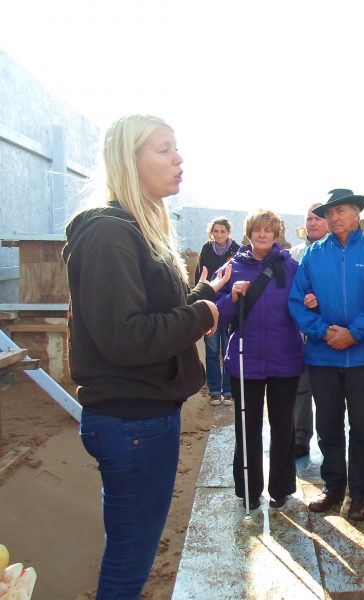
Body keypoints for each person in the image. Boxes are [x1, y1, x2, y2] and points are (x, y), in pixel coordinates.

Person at [63, 114, 226, 599]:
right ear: (128, 161)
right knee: (128, 562)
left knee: (131, 548)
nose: (179, 160)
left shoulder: (137, 229)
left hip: (143, 416)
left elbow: (150, 311)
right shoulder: (108, 233)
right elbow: (127, 337)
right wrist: (202, 313)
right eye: (164, 149)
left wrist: (201, 295)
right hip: (131, 421)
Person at [288, 188, 364, 522]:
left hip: (363, 358)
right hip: (323, 357)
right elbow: (297, 301)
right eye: (329, 213)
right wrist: (324, 332)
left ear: (356, 213)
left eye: (341, 211)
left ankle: (360, 495)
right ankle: (333, 487)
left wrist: (353, 334)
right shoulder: (313, 255)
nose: (334, 218)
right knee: (329, 427)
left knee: (362, 429)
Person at [215, 209, 304, 510]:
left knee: (282, 427)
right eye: (258, 229)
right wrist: (233, 298)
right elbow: (215, 312)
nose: (263, 234)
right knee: (247, 427)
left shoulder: (291, 267)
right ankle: (249, 490)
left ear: (277, 234)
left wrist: (312, 301)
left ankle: (281, 488)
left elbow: (305, 302)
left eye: (269, 230)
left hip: (285, 357)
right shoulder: (231, 268)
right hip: (245, 359)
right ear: (249, 233)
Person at [289, 203, 329, 459]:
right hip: (299, 332)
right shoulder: (292, 255)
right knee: (300, 389)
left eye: (317, 218)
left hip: (329, 333)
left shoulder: (335, 252)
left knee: (327, 394)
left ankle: (331, 442)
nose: (312, 223)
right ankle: (300, 437)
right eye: (308, 218)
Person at [196, 217, 240, 406]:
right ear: (211, 232)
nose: (219, 234)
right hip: (210, 306)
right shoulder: (206, 249)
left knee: (228, 349)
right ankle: (215, 391)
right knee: (213, 351)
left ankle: (228, 391)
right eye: (216, 231)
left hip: (229, 306)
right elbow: (201, 278)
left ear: (228, 232)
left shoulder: (236, 250)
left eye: (223, 231)